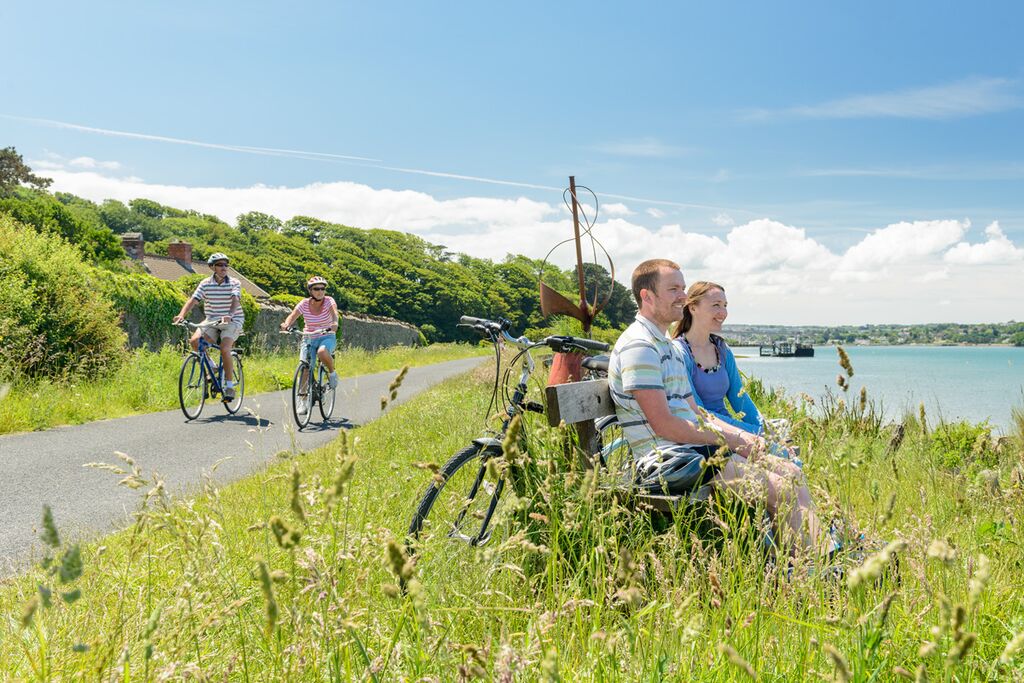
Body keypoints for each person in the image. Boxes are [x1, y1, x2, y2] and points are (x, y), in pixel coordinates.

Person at [608, 259, 833, 561]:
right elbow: (663, 425)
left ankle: (824, 560)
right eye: (673, 289)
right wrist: (731, 441)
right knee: (780, 489)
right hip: (667, 461)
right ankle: (810, 570)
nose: (682, 296)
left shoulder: (664, 346)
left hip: (692, 452)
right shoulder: (640, 346)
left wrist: (744, 436)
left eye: (683, 288)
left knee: (791, 472)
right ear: (647, 296)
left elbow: (699, 413)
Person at [672, 281, 763, 434]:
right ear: (693, 307)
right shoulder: (679, 352)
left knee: (784, 447)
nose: (723, 312)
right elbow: (700, 412)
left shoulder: (722, 349)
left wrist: (766, 430)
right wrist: (753, 433)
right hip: (704, 434)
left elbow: (740, 399)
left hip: (732, 432)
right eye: (716, 305)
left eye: (725, 306)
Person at [172, 252, 243, 401]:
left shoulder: (234, 282)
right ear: (212, 267)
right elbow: (193, 300)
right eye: (220, 265)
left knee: (224, 348)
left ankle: (229, 386)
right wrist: (181, 315)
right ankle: (213, 365)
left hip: (232, 320)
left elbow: (235, 300)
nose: (224, 267)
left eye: (226, 264)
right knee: (195, 341)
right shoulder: (205, 283)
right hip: (212, 320)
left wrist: (229, 314)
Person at [280, 276, 340, 414]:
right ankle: (302, 402)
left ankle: (332, 373)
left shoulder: (329, 301)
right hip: (308, 337)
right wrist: (286, 324)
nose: (320, 291)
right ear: (310, 291)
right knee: (305, 369)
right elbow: (292, 316)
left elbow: (334, 314)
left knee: (322, 352)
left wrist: (334, 324)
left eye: (322, 289)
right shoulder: (304, 304)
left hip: (326, 335)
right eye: (316, 289)